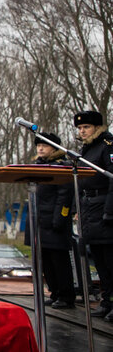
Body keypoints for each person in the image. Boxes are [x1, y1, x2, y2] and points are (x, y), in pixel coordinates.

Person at [25, 132, 75, 308]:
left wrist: (59, 219)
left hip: (54, 220)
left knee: (58, 260)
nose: (40, 148)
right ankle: (54, 292)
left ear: (54, 148)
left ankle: (66, 295)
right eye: (38, 145)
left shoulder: (61, 166)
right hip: (38, 220)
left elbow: (65, 195)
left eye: (44, 145)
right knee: (45, 260)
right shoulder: (37, 166)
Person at [73, 110, 113, 320]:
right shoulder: (86, 151)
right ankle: (106, 301)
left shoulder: (107, 146)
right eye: (80, 128)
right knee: (99, 260)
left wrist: (109, 211)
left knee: (110, 259)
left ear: (97, 128)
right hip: (89, 209)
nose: (82, 131)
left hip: (104, 208)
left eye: (86, 127)